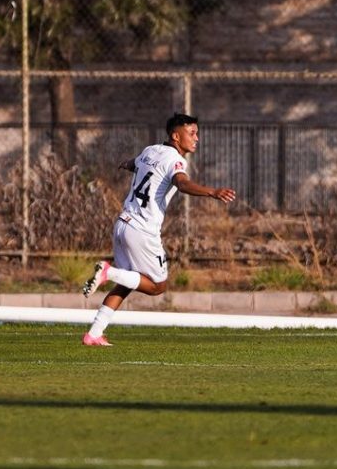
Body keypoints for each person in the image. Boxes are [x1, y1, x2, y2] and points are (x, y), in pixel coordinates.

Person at [80, 112, 236, 346]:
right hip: (142, 231)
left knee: (129, 281)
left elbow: (136, 163)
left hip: (123, 224)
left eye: (197, 133)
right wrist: (212, 192)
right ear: (176, 136)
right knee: (156, 286)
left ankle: (94, 333)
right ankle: (107, 272)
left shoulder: (150, 150)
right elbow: (182, 183)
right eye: (191, 133)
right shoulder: (176, 160)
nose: (197, 138)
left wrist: (127, 164)